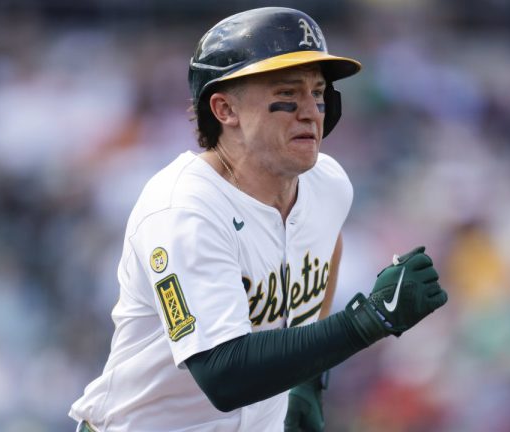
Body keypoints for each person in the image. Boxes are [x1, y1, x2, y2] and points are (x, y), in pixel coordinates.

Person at [69, 7, 447, 432]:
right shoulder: (184, 208)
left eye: (318, 93)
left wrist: (308, 381)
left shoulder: (327, 183)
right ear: (225, 109)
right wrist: (369, 319)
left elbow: (327, 248)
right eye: (288, 93)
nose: (311, 111)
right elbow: (223, 375)